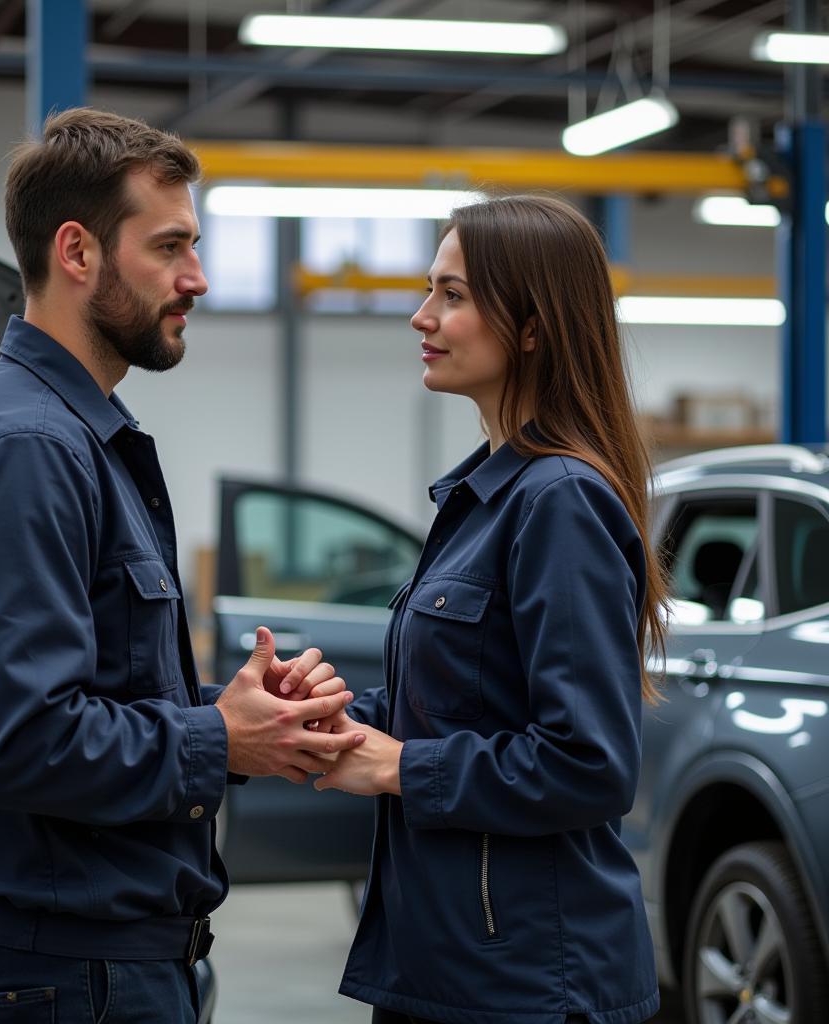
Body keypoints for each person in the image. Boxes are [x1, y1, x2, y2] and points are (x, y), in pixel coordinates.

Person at [0, 107, 365, 1024]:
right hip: (66, 976)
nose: (196, 277)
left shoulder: (75, 436)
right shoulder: (29, 448)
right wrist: (217, 740)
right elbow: (20, 742)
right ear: (77, 252)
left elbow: (89, 704)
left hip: (100, 965)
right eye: (170, 248)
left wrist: (239, 717)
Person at [304, 195, 668, 1024]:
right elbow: (460, 709)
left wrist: (396, 766)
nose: (421, 315)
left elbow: (588, 764)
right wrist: (329, 719)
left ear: (533, 329)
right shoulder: (484, 497)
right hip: (452, 964)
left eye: (453, 295)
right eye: (431, 289)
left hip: (530, 982)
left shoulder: (559, 502)